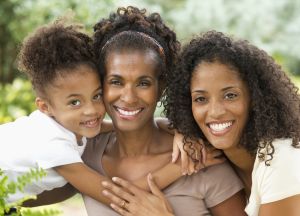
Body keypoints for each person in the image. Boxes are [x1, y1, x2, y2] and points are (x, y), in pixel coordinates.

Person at [103, 30, 300, 216]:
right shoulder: (215, 150)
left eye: (230, 96)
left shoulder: (281, 159)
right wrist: (181, 131)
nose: (215, 112)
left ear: (256, 98)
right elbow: (159, 124)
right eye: (200, 99)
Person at [82, 6, 246, 216]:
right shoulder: (86, 154)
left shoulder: (199, 158)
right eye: (116, 81)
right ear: (100, 85)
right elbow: (28, 195)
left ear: (161, 87)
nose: (129, 97)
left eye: (143, 83)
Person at [0, 18, 165, 211]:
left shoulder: (68, 123)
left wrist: (169, 128)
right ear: (45, 107)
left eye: (96, 96)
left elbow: (113, 126)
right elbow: (115, 196)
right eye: (75, 102)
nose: (92, 110)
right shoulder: (52, 145)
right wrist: (186, 167)